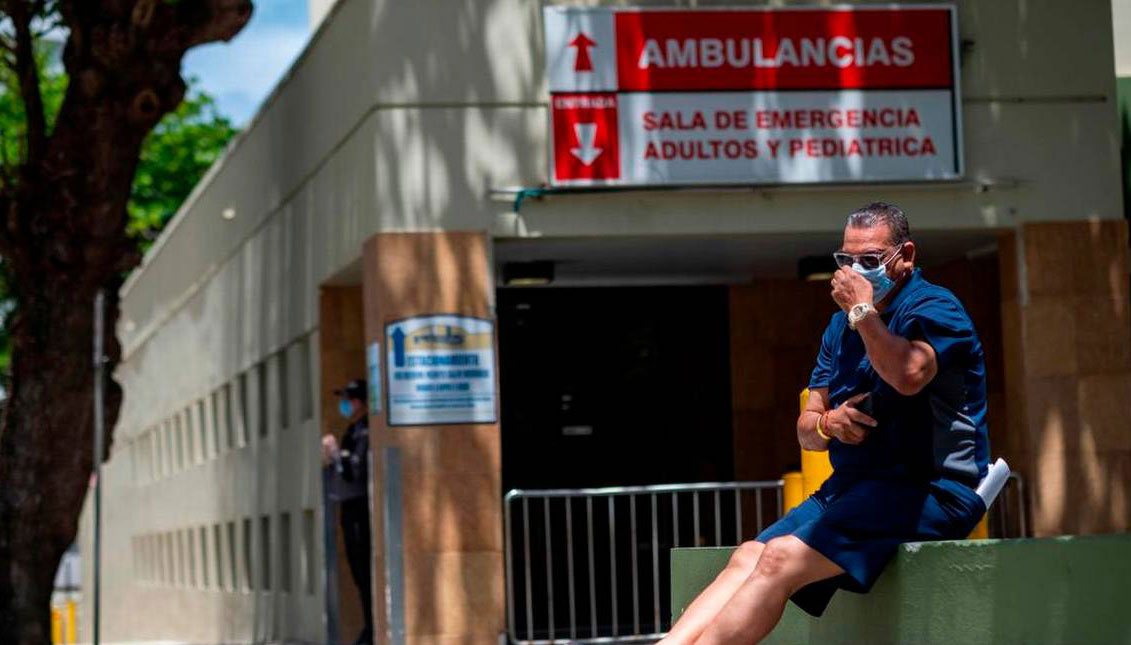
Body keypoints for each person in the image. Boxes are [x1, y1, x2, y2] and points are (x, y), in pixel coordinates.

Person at [661, 202, 990, 645]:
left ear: (906, 256)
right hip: (851, 488)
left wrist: (863, 313)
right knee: (748, 556)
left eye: (870, 261)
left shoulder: (934, 309)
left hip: (928, 490)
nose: (856, 270)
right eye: (846, 260)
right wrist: (829, 423)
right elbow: (806, 429)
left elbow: (909, 375)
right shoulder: (839, 329)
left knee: (778, 559)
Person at [322, 379, 374, 645]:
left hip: (360, 511)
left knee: (365, 571)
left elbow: (357, 470)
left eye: (349, 400)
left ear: (361, 403)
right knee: (358, 572)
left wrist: (336, 454)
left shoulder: (365, 432)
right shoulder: (353, 430)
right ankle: (369, 626)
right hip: (349, 509)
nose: (344, 405)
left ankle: (373, 629)